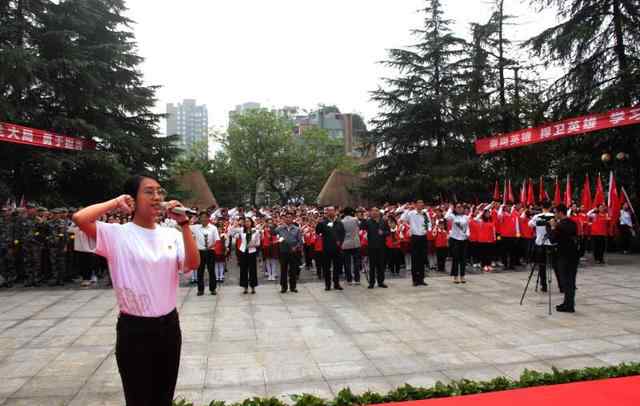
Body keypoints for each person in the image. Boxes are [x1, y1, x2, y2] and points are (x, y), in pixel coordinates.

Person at [72, 173, 200, 406]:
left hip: (169, 327)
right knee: (138, 397)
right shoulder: (117, 234)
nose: (157, 197)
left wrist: (184, 224)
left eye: (160, 191)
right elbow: (80, 218)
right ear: (132, 199)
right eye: (149, 191)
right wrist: (114, 202)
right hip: (135, 330)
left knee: (164, 396)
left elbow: (192, 263)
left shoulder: (170, 234)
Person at [548, 204, 579, 313]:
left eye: (556, 212)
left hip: (563, 256)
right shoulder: (572, 223)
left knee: (566, 281)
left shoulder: (560, 225)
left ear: (561, 213)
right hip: (574, 255)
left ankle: (569, 305)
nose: (555, 215)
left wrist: (552, 227)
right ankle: (568, 303)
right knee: (571, 281)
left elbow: (552, 239)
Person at [400, 200, 429, 286]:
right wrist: (408, 209)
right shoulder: (411, 213)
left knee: (422, 258)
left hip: (423, 237)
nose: (421, 205)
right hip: (415, 237)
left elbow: (428, 223)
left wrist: (426, 229)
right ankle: (415, 280)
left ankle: (421, 279)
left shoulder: (425, 214)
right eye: (419, 204)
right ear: (416, 205)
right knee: (415, 259)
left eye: (422, 204)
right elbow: (402, 219)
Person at [528, 201, 556, 292]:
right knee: (555, 265)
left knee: (542, 265)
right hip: (551, 243)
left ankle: (544, 285)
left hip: (540, 243)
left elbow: (530, 224)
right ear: (550, 207)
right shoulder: (553, 215)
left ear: (542, 207)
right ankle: (562, 285)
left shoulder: (537, 217)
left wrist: (536, 220)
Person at [315, 206, 345, 291]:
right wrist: (318, 223)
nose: (331, 212)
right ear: (327, 213)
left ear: (335, 212)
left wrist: (340, 241)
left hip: (337, 249)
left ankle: (336, 284)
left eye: (332, 211)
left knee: (337, 267)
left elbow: (343, 233)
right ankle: (327, 285)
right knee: (326, 268)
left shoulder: (339, 223)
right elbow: (317, 232)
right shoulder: (323, 223)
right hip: (326, 249)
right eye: (329, 211)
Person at [190, 212, 219, 296]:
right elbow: (182, 227)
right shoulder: (196, 227)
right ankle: (200, 289)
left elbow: (217, 240)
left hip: (210, 251)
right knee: (200, 271)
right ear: (199, 219)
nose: (203, 219)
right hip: (200, 252)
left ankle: (213, 289)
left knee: (211, 270)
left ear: (208, 218)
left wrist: (210, 246)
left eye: (205, 217)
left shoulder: (213, 228)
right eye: (201, 217)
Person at [360, 207, 389, 288]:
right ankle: (371, 282)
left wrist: (383, 232)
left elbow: (388, 232)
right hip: (371, 247)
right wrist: (364, 218)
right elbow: (361, 227)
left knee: (381, 265)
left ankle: (381, 282)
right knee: (372, 266)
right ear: (370, 213)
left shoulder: (383, 221)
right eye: (373, 211)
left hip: (382, 247)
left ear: (379, 212)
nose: (374, 212)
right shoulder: (368, 222)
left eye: (376, 211)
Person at [231, 217, 261, 294]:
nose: (247, 223)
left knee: (252, 270)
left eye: (248, 221)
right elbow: (232, 233)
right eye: (245, 221)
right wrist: (235, 224)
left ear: (251, 222)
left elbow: (258, 243)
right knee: (243, 270)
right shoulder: (241, 230)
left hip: (252, 251)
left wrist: (253, 245)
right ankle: (245, 287)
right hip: (243, 251)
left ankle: (253, 287)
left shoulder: (256, 231)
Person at [275, 212, 303, 293]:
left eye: (290, 217)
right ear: (284, 219)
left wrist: (296, 247)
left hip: (293, 252)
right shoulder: (279, 229)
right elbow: (272, 235)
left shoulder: (297, 229)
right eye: (286, 217)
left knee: (293, 270)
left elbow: (300, 241)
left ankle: (293, 287)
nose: (288, 219)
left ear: (292, 218)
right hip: (283, 252)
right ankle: (283, 287)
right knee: (283, 270)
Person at [445, 203, 470, 284]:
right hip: (455, 240)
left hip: (464, 240)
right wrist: (450, 208)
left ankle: (462, 276)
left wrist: (468, 234)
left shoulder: (466, 217)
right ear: (455, 209)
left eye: (461, 207)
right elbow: (446, 217)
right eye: (458, 207)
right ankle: (455, 276)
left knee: (463, 259)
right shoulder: (453, 216)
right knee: (456, 258)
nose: (459, 209)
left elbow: (467, 227)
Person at [341, 207, 362, 285]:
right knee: (356, 262)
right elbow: (359, 227)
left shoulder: (342, 221)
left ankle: (349, 279)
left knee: (347, 263)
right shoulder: (355, 219)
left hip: (345, 243)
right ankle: (357, 279)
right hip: (355, 242)